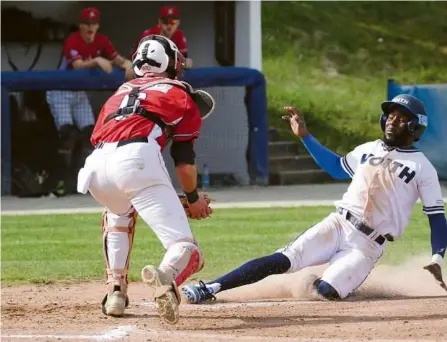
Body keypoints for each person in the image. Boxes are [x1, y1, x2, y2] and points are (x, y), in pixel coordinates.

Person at [182, 94, 447, 304]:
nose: (392, 120)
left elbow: (436, 216)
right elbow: (335, 167)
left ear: (415, 126)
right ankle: (210, 287)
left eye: (401, 118)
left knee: (325, 291)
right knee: (282, 259)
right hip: (338, 224)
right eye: (390, 115)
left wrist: (437, 256)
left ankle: (337, 282)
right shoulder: (368, 149)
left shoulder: (422, 168)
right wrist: (305, 137)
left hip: (366, 245)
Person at [76, 34, 215, 324]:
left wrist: (172, 199)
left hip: (96, 166)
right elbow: (184, 166)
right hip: (137, 160)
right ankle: (166, 276)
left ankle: (115, 292)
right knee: (187, 250)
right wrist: (192, 198)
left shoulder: (120, 93)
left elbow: (123, 176)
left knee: (118, 214)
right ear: (172, 63)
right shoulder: (182, 95)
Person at [46, 7, 133, 193]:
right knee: (67, 135)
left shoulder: (101, 40)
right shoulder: (72, 40)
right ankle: (61, 179)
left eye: (93, 24)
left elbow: (116, 58)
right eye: (86, 24)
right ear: (81, 25)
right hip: (61, 90)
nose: (90, 27)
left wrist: (126, 64)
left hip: (79, 93)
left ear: (97, 25)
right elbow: (77, 66)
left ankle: (79, 178)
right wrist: (97, 61)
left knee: (89, 135)